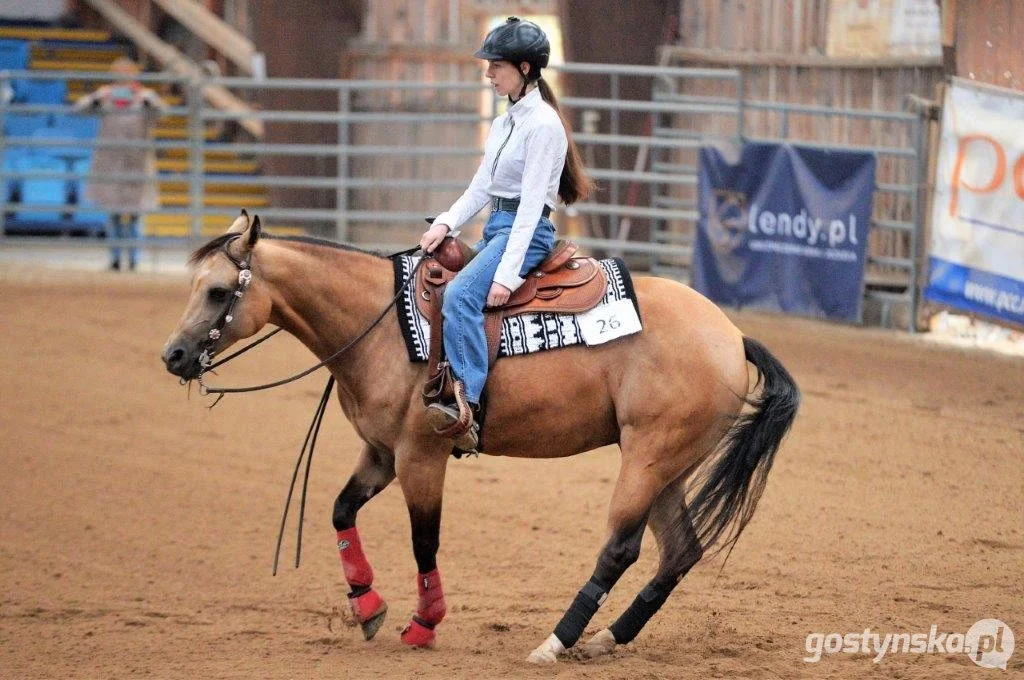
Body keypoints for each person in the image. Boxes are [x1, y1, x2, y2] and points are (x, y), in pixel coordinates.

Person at [418, 17, 594, 450]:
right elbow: (481, 187)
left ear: (525, 68)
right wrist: (446, 222)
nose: (488, 73)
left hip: (526, 232)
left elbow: (533, 206)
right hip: (499, 226)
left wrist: (507, 275)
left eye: (496, 65)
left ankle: (468, 406)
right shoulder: (504, 123)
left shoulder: (544, 126)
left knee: (461, 298)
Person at [74, 57, 166, 271]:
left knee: (134, 216)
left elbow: (163, 112)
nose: (123, 78)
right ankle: (115, 259)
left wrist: (148, 102)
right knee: (113, 215)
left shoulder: (145, 96)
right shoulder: (104, 96)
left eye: (127, 73)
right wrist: (98, 98)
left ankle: (133, 259)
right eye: (119, 73)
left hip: (137, 164)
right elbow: (80, 108)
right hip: (110, 164)